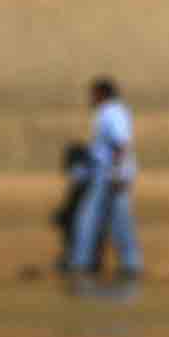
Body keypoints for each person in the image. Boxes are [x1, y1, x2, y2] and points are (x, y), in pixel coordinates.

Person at [65, 76, 141, 282]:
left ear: (101, 94)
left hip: (110, 176)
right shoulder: (114, 111)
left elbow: (120, 144)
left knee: (88, 218)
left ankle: (81, 263)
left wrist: (117, 173)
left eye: (93, 94)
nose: (90, 98)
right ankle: (130, 264)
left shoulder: (111, 112)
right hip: (110, 175)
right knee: (118, 221)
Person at [50, 141, 98, 274]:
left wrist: (62, 213)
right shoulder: (91, 176)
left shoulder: (84, 179)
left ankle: (76, 258)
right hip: (86, 213)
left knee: (70, 223)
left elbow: (75, 200)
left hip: (84, 215)